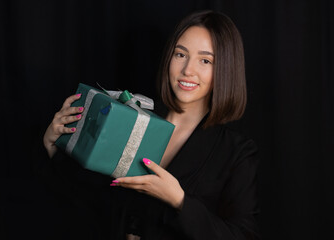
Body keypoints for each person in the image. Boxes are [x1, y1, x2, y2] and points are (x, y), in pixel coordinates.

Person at [42, 10, 260, 240]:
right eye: (180, 54)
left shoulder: (237, 152)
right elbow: (87, 199)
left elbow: (243, 235)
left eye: (205, 60)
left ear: (225, 69)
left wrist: (179, 201)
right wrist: (52, 145)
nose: (187, 70)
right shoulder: (131, 116)